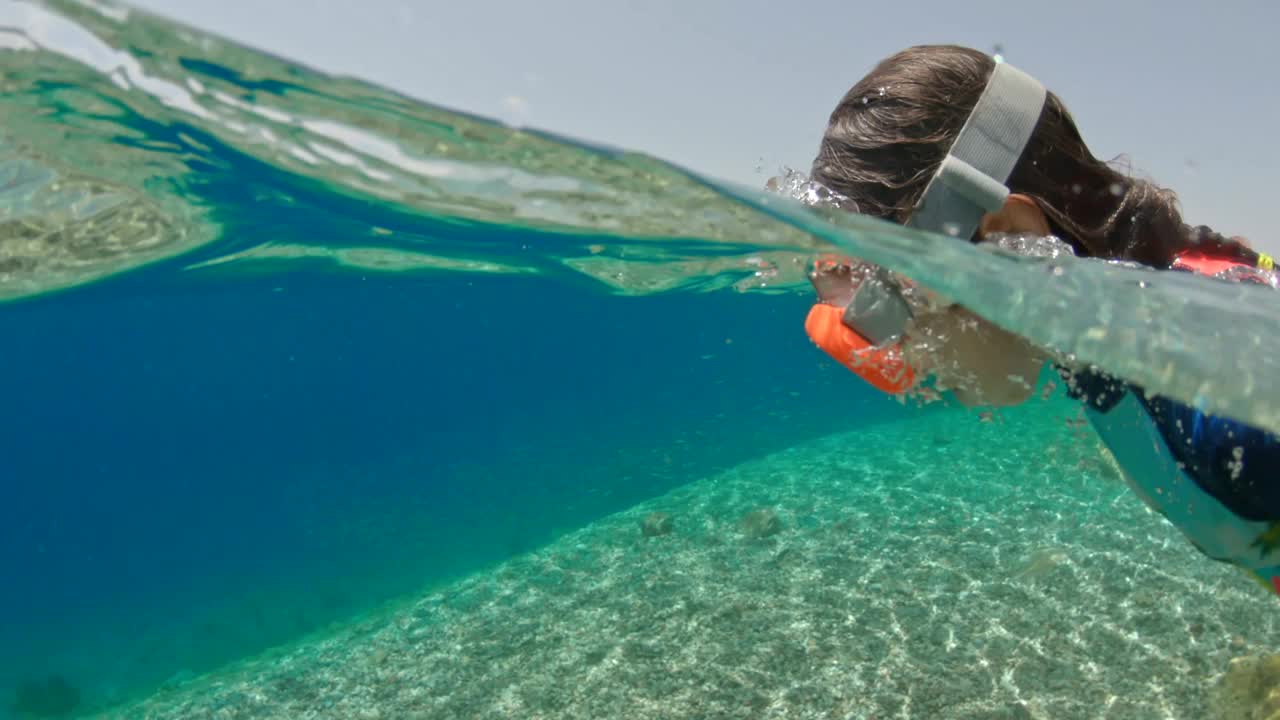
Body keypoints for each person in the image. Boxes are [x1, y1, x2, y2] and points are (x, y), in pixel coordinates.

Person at [800, 45, 1280, 596]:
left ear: (1007, 232)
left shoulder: (1225, 402)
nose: (905, 350)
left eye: (896, 296)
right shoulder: (1123, 346)